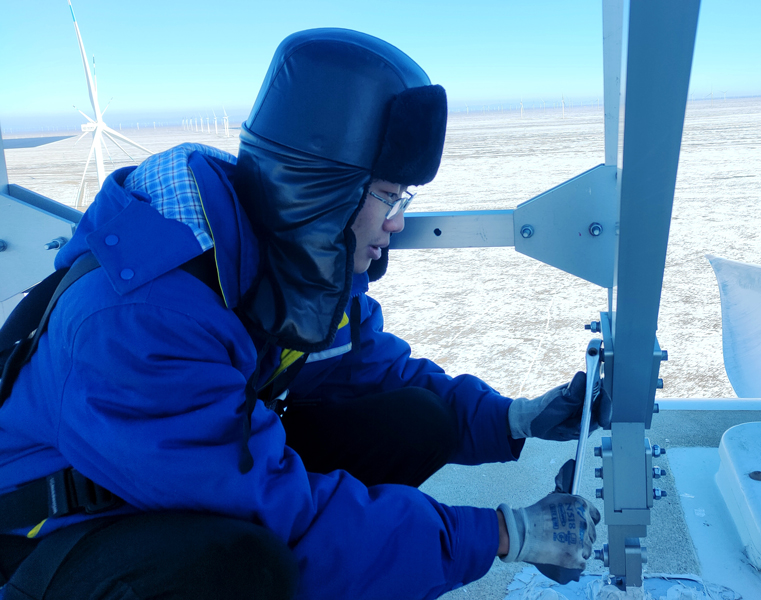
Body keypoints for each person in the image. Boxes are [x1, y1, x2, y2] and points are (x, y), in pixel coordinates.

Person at [0, 29, 606, 599]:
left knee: (419, 420)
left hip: (167, 480)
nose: (397, 223)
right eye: (389, 197)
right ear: (325, 191)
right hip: (48, 539)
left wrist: (513, 419)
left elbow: (376, 371)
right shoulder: (142, 320)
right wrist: (506, 534)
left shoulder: (284, 260)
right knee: (245, 565)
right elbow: (281, 516)